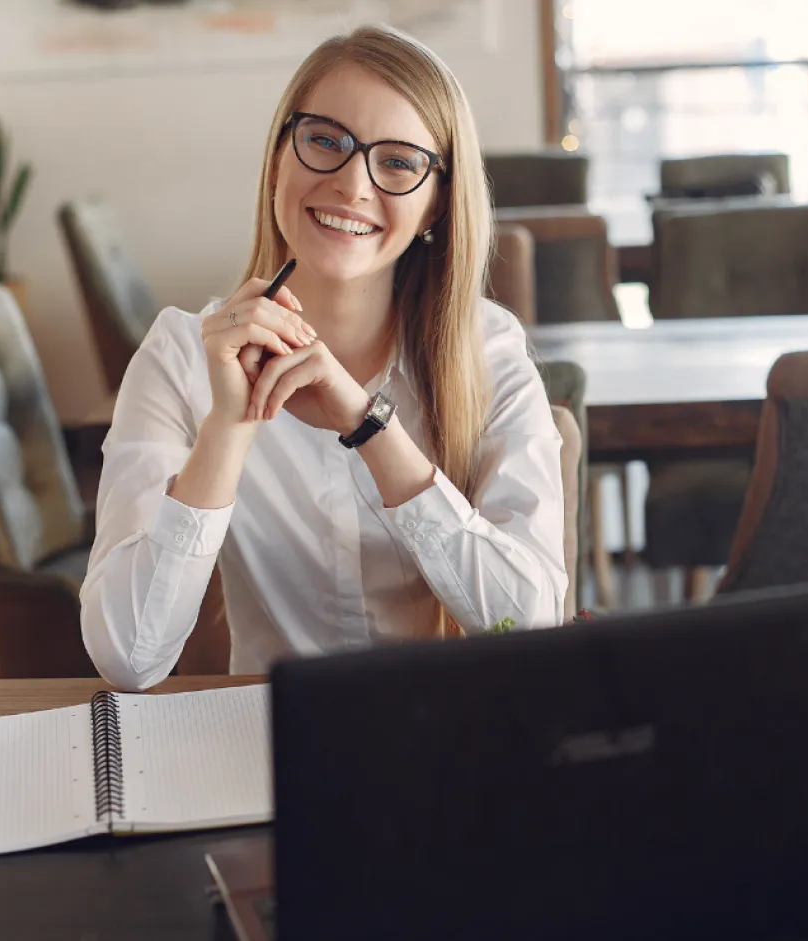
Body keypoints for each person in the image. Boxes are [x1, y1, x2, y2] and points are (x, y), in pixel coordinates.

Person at [81, 25, 567, 690]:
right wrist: (229, 424)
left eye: (397, 162)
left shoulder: (489, 351)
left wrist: (369, 426)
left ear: (436, 203)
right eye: (324, 141)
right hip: (265, 747)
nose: (350, 183)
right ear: (279, 156)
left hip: (451, 737)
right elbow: (127, 658)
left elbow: (530, 629)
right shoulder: (180, 355)